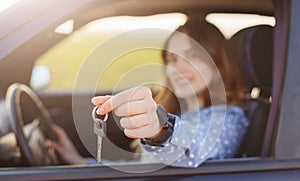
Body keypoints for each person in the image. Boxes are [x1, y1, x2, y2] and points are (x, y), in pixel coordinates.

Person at [48, 19, 249, 167]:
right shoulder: (182, 113)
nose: (178, 67)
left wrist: (159, 129)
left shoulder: (228, 119)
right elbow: (140, 170)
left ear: (217, 64)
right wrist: (79, 162)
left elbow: (192, 150)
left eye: (192, 56)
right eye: (172, 58)